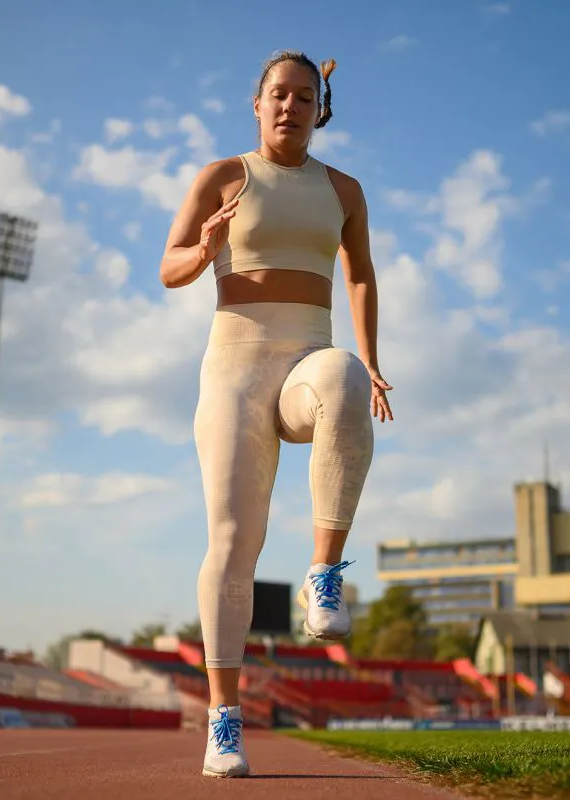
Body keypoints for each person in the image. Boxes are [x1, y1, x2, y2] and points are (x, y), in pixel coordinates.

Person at [159, 50, 393, 778]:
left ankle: (323, 574)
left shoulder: (344, 190)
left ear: (319, 108)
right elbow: (167, 266)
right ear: (256, 104)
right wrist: (200, 252)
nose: (289, 106)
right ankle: (224, 723)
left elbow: (359, 272)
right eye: (277, 95)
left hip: (304, 363)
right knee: (234, 540)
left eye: (303, 96)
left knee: (346, 382)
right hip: (233, 369)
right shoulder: (222, 177)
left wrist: (374, 357)